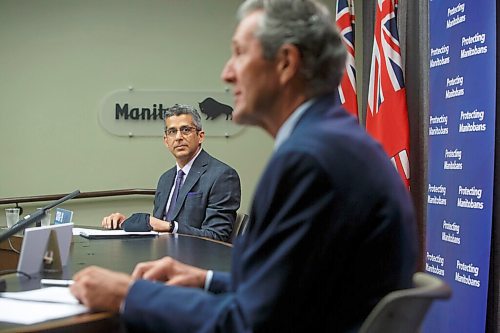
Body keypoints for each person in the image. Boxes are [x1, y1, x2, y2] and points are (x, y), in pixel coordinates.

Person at [71, 0, 418, 331]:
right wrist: (205, 279)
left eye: (239, 53)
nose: (227, 73)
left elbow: (251, 324)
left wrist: (129, 295)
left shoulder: (308, 161)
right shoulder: (335, 142)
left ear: (285, 62)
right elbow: (289, 286)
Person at [101, 103, 241, 242]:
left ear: (200, 136)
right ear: (166, 141)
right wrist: (125, 224)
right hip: (163, 254)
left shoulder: (223, 175)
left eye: (185, 130)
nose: (178, 137)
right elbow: (157, 226)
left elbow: (216, 237)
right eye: (172, 131)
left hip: (197, 261)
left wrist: (170, 227)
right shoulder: (165, 179)